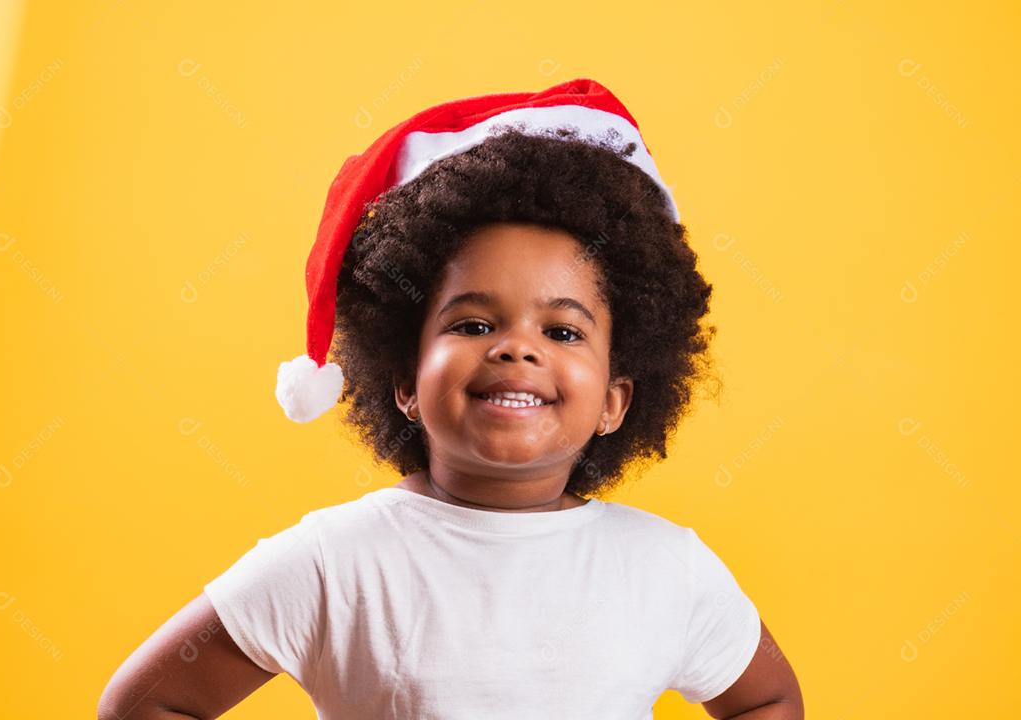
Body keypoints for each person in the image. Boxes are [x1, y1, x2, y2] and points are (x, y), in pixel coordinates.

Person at [98, 78, 803, 719]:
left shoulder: (665, 569)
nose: (516, 349)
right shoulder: (335, 563)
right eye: (473, 324)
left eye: (562, 330)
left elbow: (766, 700)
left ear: (617, 399)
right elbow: (145, 705)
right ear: (404, 378)